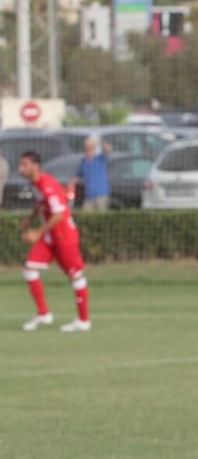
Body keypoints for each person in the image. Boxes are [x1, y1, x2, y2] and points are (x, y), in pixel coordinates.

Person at [18, 151, 91, 333]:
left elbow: (58, 214)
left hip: (64, 237)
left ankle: (83, 320)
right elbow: (42, 204)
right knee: (29, 269)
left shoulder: (47, 184)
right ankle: (43, 314)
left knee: (76, 277)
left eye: (25, 164)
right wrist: (30, 218)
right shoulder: (37, 184)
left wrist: (36, 233)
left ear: (35, 166)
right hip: (50, 237)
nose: (21, 169)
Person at [70, 136, 113, 211]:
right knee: (86, 215)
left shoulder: (100, 159)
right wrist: (71, 183)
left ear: (94, 148)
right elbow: (78, 176)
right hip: (89, 196)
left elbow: (109, 150)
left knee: (101, 217)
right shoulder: (83, 162)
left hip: (101, 195)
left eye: (90, 148)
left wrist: (100, 141)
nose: (88, 150)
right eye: (87, 148)